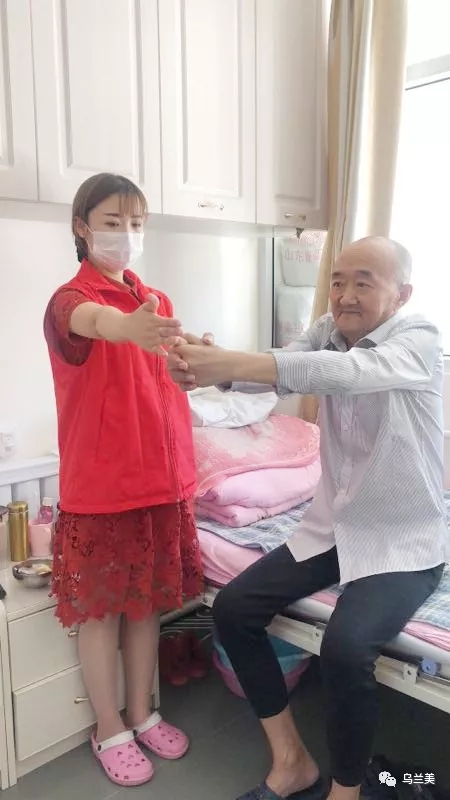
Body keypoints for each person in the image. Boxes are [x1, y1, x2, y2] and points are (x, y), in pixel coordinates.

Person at [167, 236, 449, 800]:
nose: (344, 294)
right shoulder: (327, 330)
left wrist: (232, 362)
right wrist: (213, 365)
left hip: (404, 540)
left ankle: (347, 791)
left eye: (363, 282)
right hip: (335, 527)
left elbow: (342, 374)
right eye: (338, 281)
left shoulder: (420, 340)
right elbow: (282, 370)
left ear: (402, 294)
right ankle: (291, 760)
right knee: (234, 609)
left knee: (346, 647)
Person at [43, 172, 210, 788]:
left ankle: (142, 712)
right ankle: (108, 727)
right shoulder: (69, 301)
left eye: (136, 223)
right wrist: (126, 326)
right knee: (101, 615)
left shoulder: (154, 299)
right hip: (103, 491)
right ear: (82, 227)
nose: (127, 234)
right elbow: (96, 323)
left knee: (145, 609)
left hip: (161, 483)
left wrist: (198, 357)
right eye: (112, 222)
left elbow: (171, 368)